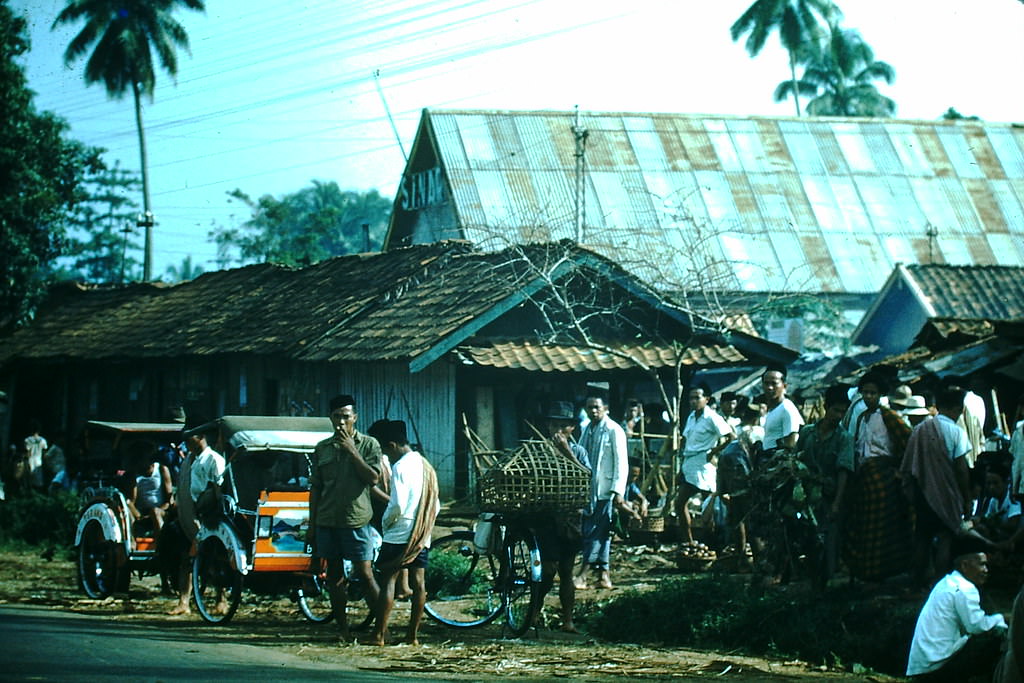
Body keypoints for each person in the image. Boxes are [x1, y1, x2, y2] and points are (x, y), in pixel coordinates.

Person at [308, 394, 382, 640]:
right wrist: (312, 524)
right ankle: (342, 630)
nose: (341, 422)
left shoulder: (369, 445)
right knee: (334, 577)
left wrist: (351, 450)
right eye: (337, 416)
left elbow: (373, 478)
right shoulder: (322, 448)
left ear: (355, 418)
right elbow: (316, 488)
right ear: (330, 418)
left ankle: (382, 630)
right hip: (327, 520)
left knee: (365, 573)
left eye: (346, 417)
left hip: (356, 520)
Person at [366, 419, 439, 646]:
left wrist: (387, 524)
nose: (386, 457)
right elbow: (436, 504)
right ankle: (412, 636)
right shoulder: (425, 464)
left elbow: (396, 505)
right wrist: (424, 527)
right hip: (421, 533)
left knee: (388, 580)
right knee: (419, 584)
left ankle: (379, 634)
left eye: (384, 450)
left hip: (399, 531)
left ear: (391, 445)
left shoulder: (400, 467)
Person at [843, 370, 913, 582]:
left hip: (884, 477)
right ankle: (868, 572)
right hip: (865, 476)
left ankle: (886, 572)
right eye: (865, 392)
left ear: (881, 394)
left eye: (872, 393)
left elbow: (908, 442)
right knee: (864, 523)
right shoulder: (862, 417)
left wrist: (900, 469)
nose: (868, 397)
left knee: (883, 525)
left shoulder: (889, 416)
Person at [901, 387, 973, 588]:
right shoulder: (957, 432)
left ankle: (917, 580)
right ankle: (939, 582)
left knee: (922, 537)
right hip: (947, 494)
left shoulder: (919, 430)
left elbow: (909, 466)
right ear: (957, 409)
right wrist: (966, 499)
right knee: (945, 536)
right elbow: (961, 469)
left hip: (923, 493)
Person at [906, 539, 1007, 681]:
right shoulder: (965, 589)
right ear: (965, 566)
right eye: (982, 564)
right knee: (997, 635)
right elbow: (976, 626)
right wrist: (999, 619)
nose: (986, 570)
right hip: (937, 665)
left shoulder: (947, 582)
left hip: (923, 664)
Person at [530, 401, 591, 632]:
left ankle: (568, 621)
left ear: (572, 428)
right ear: (547, 426)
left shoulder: (578, 451)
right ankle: (534, 612)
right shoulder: (538, 450)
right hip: (546, 517)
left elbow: (587, 476)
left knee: (567, 570)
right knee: (548, 570)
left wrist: (566, 452)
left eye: (564, 426)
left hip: (571, 517)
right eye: (555, 424)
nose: (558, 430)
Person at [795, 384, 854, 588]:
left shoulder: (844, 438)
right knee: (808, 539)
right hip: (806, 496)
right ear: (826, 408)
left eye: (843, 411)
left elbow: (843, 472)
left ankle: (826, 583)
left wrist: (837, 502)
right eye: (836, 410)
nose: (839, 415)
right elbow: (797, 460)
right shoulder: (807, 433)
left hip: (829, 496)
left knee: (829, 542)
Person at [169, 417, 226, 615]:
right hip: (189, 515)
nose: (185, 441)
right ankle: (183, 602)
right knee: (186, 559)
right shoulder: (188, 460)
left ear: (201, 436)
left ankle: (221, 599)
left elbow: (218, 491)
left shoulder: (214, 460)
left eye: (189, 436)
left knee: (216, 560)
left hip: (209, 518)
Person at [574, 394, 628, 591]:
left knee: (595, 532)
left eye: (596, 407)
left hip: (606, 491)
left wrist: (618, 492)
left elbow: (622, 463)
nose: (593, 411)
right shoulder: (587, 429)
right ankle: (604, 576)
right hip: (590, 491)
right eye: (589, 407)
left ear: (605, 408)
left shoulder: (614, 430)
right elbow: (579, 456)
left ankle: (583, 574)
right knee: (601, 533)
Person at [676, 386, 734, 543]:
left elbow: (731, 437)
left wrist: (714, 451)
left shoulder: (712, 417)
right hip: (689, 462)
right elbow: (686, 441)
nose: (693, 401)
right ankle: (688, 541)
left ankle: (712, 541)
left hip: (703, 464)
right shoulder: (691, 417)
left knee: (709, 507)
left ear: (706, 399)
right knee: (679, 504)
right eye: (691, 398)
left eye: (697, 397)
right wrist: (681, 466)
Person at [128, 444, 174, 532]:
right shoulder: (134, 475)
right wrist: (138, 515)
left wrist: (156, 511)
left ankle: (160, 543)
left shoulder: (161, 469)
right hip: (142, 514)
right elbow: (131, 501)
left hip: (161, 511)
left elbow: (169, 500)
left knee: (155, 512)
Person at [759, 368, 803, 455]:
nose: (770, 387)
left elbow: (791, 442)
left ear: (784, 386)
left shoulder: (786, 409)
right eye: (766, 383)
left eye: (774, 383)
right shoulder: (773, 409)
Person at [24, 420, 47, 491]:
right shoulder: (43, 440)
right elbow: (44, 453)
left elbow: (28, 452)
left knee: (29, 481)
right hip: (38, 462)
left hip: (30, 461)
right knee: (38, 483)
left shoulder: (27, 440)